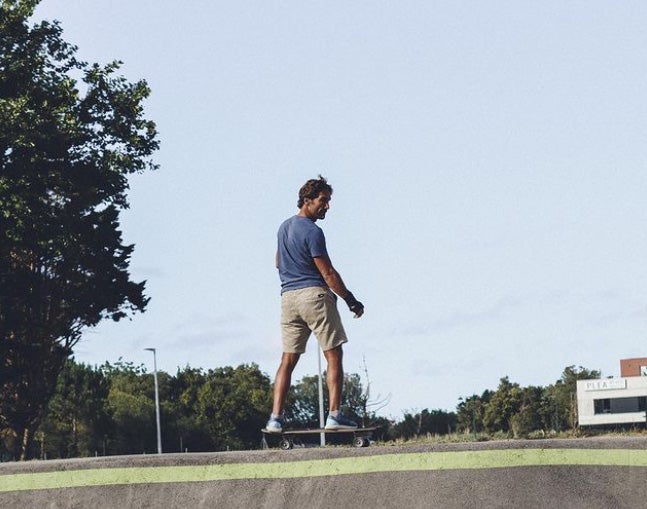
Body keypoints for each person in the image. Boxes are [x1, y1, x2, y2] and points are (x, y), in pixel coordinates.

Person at [266, 176, 364, 433]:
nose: (327, 206)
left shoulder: (283, 227)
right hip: (313, 295)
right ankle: (334, 416)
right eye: (323, 201)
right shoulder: (312, 231)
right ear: (307, 200)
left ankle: (275, 419)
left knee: (287, 360)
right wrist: (351, 300)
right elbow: (328, 273)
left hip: (288, 299)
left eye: (328, 201)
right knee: (333, 354)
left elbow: (278, 262)